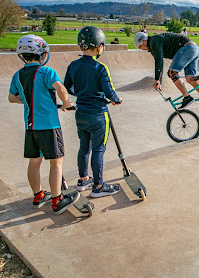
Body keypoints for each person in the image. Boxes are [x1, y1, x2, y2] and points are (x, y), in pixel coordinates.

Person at [9, 35, 79, 214]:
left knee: (34, 161)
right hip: (48, 125)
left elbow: (12, 98)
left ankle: (38, 195)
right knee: (56, 162)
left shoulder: (17, 75)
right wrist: (67, 104)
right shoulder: (46, 72)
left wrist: (27, 100)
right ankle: (57, 200)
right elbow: (61, 89)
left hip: (30, 126)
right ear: (41, 54)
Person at [64, 26, 122, 198]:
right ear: (99, 46)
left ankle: (83, 180)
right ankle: (98, 186)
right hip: (98, 115)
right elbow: (109, 90)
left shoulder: (73, 65)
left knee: (84, 147)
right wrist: (116, 99)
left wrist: (81, 94)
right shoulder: (100, 67)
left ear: (81, 46)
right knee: (98, 149)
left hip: (80, 113)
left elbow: (67, 87)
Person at [133, 32, 199, 113]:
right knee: (190, 79)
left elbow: (159, 61)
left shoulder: (154, 42)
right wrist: (159, 80)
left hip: (186, 48)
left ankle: (187, 98)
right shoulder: (154, 44)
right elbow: (159, 63)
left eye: (140, 47)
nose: (142, 49)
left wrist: (157, 80)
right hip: (194, 48)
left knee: (172, 73)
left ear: (144, 41)